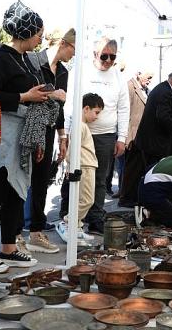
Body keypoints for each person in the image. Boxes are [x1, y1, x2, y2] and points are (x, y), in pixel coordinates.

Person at [0, 0, 59, 272]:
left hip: (20, 135)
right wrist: (26, 96)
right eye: (38, 33)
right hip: (2, 133)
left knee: (15, 191)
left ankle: (9, 247)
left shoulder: (25, 59)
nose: (40, 39)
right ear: (26, 31)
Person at [63, 37, 129, 234]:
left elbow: (124, 108)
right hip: (80, 132)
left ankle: (96, 217)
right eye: (104, 56)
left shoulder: (118, 76)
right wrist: (65, 134)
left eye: (112, 57)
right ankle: (68, 215)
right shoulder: (80, 71)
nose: (108, 61)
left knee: (100, 179)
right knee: (73, 175)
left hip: (106, 135)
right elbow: (69, 102)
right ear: (94, 54)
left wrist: (122, 138)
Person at [24, 28, 74, 254]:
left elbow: (60, 108)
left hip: (49, 129)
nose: (74, 55)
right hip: (27, 128)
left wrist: (62, 137)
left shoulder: (63, 71)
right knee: (22, 179)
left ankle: (36, 230)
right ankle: (16, 234)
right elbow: (27, 95)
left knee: (42, 180)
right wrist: (52, 95)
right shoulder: (33, 61)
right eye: (74, 49)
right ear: (63, 43)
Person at [119, 69, 172, 206]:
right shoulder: (165, 92)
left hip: (148, 141)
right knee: (147, 172)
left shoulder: (161, 89)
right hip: (153, 143)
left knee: (138, 171)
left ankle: (133, 198)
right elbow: (162, 116)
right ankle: (137, 199)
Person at [57, 93, 102, 245]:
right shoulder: (80, 126)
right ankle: (68, 223)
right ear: (86, 108)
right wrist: (71, 166)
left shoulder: (82, 126)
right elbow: (72, 150)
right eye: (96, 112)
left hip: (87, 165)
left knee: (84, 199)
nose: (97, 117)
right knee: (87, 200)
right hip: (84, 166)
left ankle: (76, 227)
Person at [115, 70, 152, 207]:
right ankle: (125, 196)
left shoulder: (144, 89)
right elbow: (124, 112)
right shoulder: (130, 87)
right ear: (138, 73)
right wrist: (123, 137)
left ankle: (130, 196)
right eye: (148, 77)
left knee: (135, 168)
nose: (149, 80)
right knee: (129, 168)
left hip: (139, 136)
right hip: (131, 136)